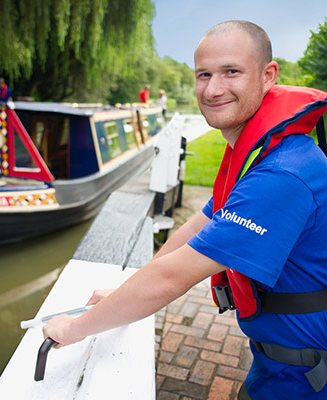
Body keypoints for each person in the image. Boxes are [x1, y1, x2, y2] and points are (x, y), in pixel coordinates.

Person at [43, 21, 327, 399]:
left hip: (307, 376)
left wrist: (74, 329)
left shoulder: (281, 174)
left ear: (268, 76)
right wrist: (123, 291)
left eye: (231, 72)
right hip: (281, 363)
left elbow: (172, 278)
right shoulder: (258, 153)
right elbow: (198, 226)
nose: (212, 89)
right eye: (203, 74)